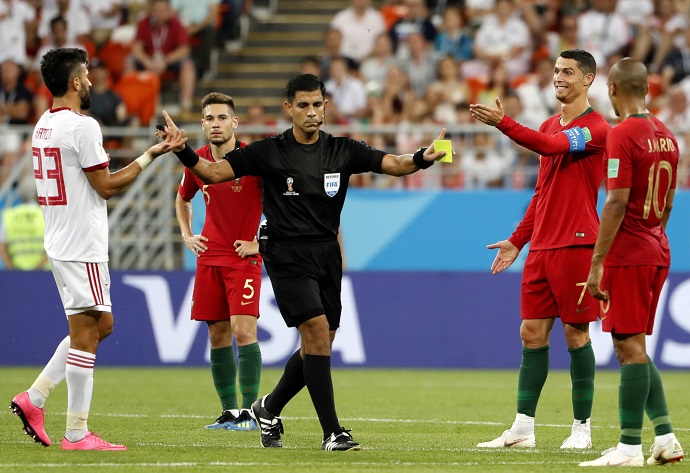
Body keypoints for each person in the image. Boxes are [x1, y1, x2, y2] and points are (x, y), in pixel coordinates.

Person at [162, 73, 448, 451]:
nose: (311, 112)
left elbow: (392, 163)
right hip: (286, 253)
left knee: (322, 340)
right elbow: (213, 173)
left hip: (327, 252)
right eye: (303, 105)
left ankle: (269, 406)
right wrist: (183, 150)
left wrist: (422, 157)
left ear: (325, 107)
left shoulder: (342, 149)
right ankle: (333, 431)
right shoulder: (268, 151)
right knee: (314, 331)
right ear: (289, 109)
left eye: (317, 104)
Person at [9, 47, 184, 451]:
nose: (90, 81)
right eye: (86, 75)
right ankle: (76, 432)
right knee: (89, 332)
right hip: (81, 244)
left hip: (60, 239)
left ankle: (33, 398)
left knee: (100, 326)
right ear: (74, 81)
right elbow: (105, 186)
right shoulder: (83, 127)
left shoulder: (43, 124)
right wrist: (152, 155)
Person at [470, 49, 610, 449]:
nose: (558, 77)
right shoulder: (551, 124)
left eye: (568, 72)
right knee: (531, 333)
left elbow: (551, 148)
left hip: (577, 244)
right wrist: (518, 239)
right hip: (543, 248)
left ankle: (581, 429)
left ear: (588, 80)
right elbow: (542, 192)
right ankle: (522, 429)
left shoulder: (595, 128)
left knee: (576, 334)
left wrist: (504, 124)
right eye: (555, 70)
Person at [581, 57, 685, 468]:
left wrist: (597, 262)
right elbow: (671, 202)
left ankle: (628, 448)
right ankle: (666, 438)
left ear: (611, 90)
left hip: (628, 253)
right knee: (635, 345)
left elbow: (617, 199)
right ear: (646, 89)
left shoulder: (622, 134)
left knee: (627, 346)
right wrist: (654, 235)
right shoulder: (668, 136)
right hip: (657, 247)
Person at [173, 92, 263, 431]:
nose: (216, 124)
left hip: (243, 257)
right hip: (209, 256)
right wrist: (187, 234)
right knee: (217, 334)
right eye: (209, 118)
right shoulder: (195, 161)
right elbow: (182, 200)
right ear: (202, 124)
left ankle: (251, 412)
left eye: (222, 117)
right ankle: (229, 413)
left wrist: (260, 241)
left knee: (243, 330)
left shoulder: (253, 159)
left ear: (235, 122)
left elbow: (283, 204)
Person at [0, 178, 48, 270]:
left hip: (16, 274)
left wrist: (12, 268)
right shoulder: (45, 215)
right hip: (44, 274)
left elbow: (2, 247)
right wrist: (39, 267)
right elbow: (53, 245)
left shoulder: (9, 216)